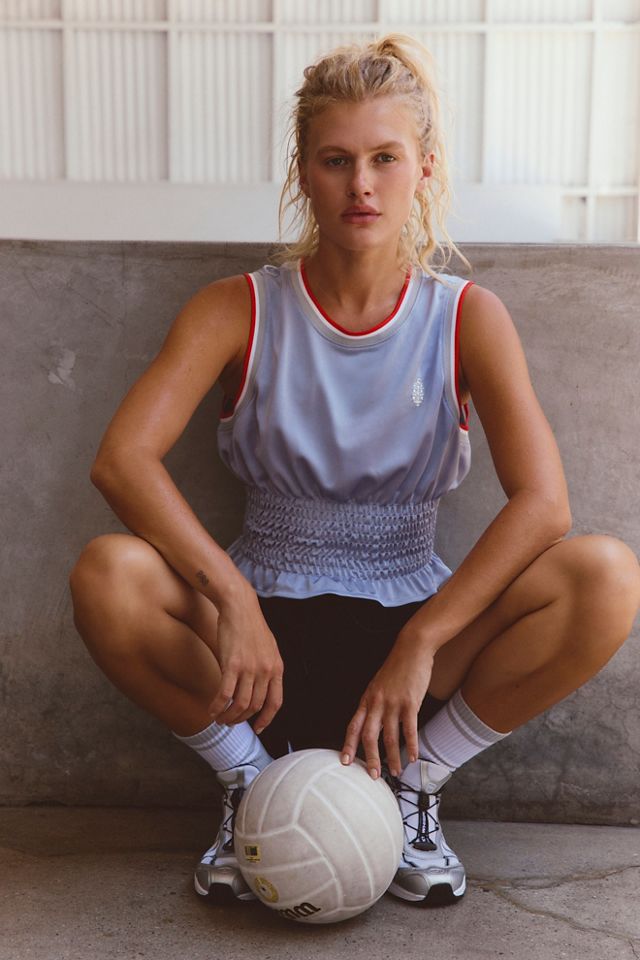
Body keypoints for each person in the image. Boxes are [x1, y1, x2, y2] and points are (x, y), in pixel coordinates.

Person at [69, 33, 640, 908]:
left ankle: (414, 787)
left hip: (412, 648)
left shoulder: (467, 317)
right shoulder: (236, 308)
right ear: (303, 172)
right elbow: (122, 460)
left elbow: (545, 505)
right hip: (255, 649)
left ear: (425, 169)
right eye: (336, 160)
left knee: (605, 576)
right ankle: (249, 786)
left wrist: (422, 642)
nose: (361, 185)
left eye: (385, 158)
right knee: (106, 574)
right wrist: (233, 598)